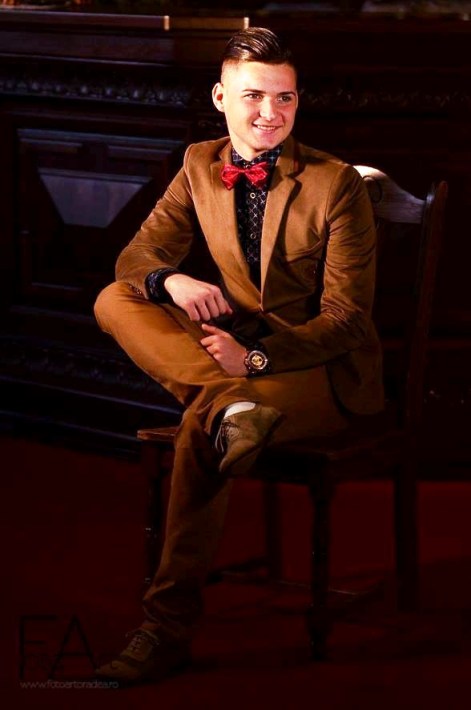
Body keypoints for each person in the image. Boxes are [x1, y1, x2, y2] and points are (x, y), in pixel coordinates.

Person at [93, 26, 384, 685]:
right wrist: (172, 280)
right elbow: (136, 257)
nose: (270, 113)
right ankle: (227, 402)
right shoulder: (200, 162)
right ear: (221, 97)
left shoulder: (335, 183)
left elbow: (346, 321)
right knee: (116, 298)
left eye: (285, 98)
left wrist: (252, 361)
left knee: (203, 428)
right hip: (231, 350)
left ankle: (165, 630)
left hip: (317, 369)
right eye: (253, 96)